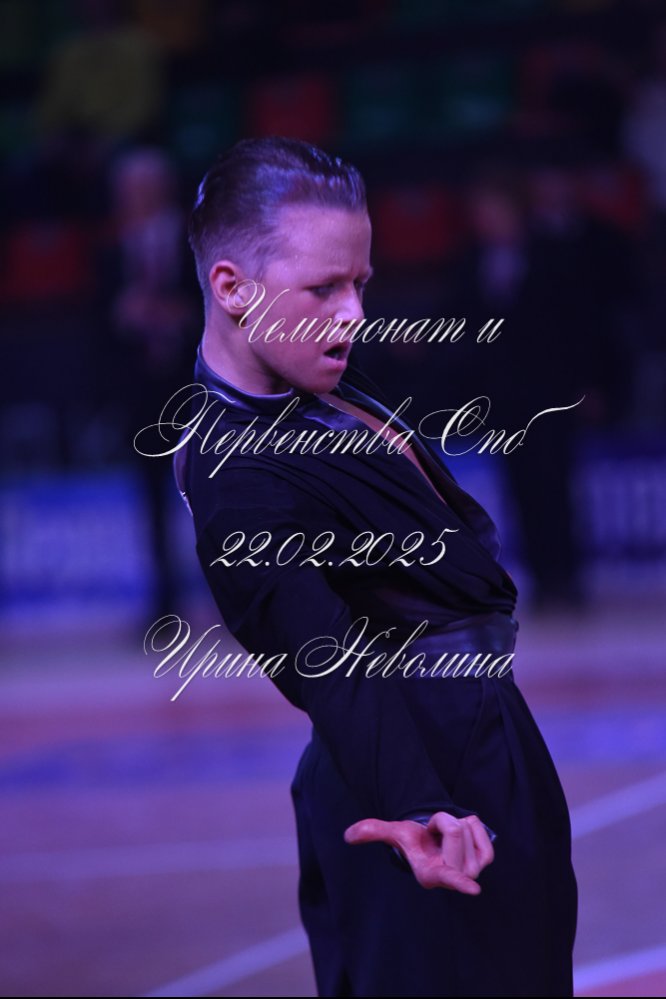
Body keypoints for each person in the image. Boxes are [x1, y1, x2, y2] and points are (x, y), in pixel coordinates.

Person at [167, 137, 578, 997]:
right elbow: (325, 658)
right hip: (413, 778)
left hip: (482, 741)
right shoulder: (233, 469)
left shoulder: (319, 386)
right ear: (232, 288)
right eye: (323, 288)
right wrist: (420, 805)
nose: (354, 313)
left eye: (360, 283)